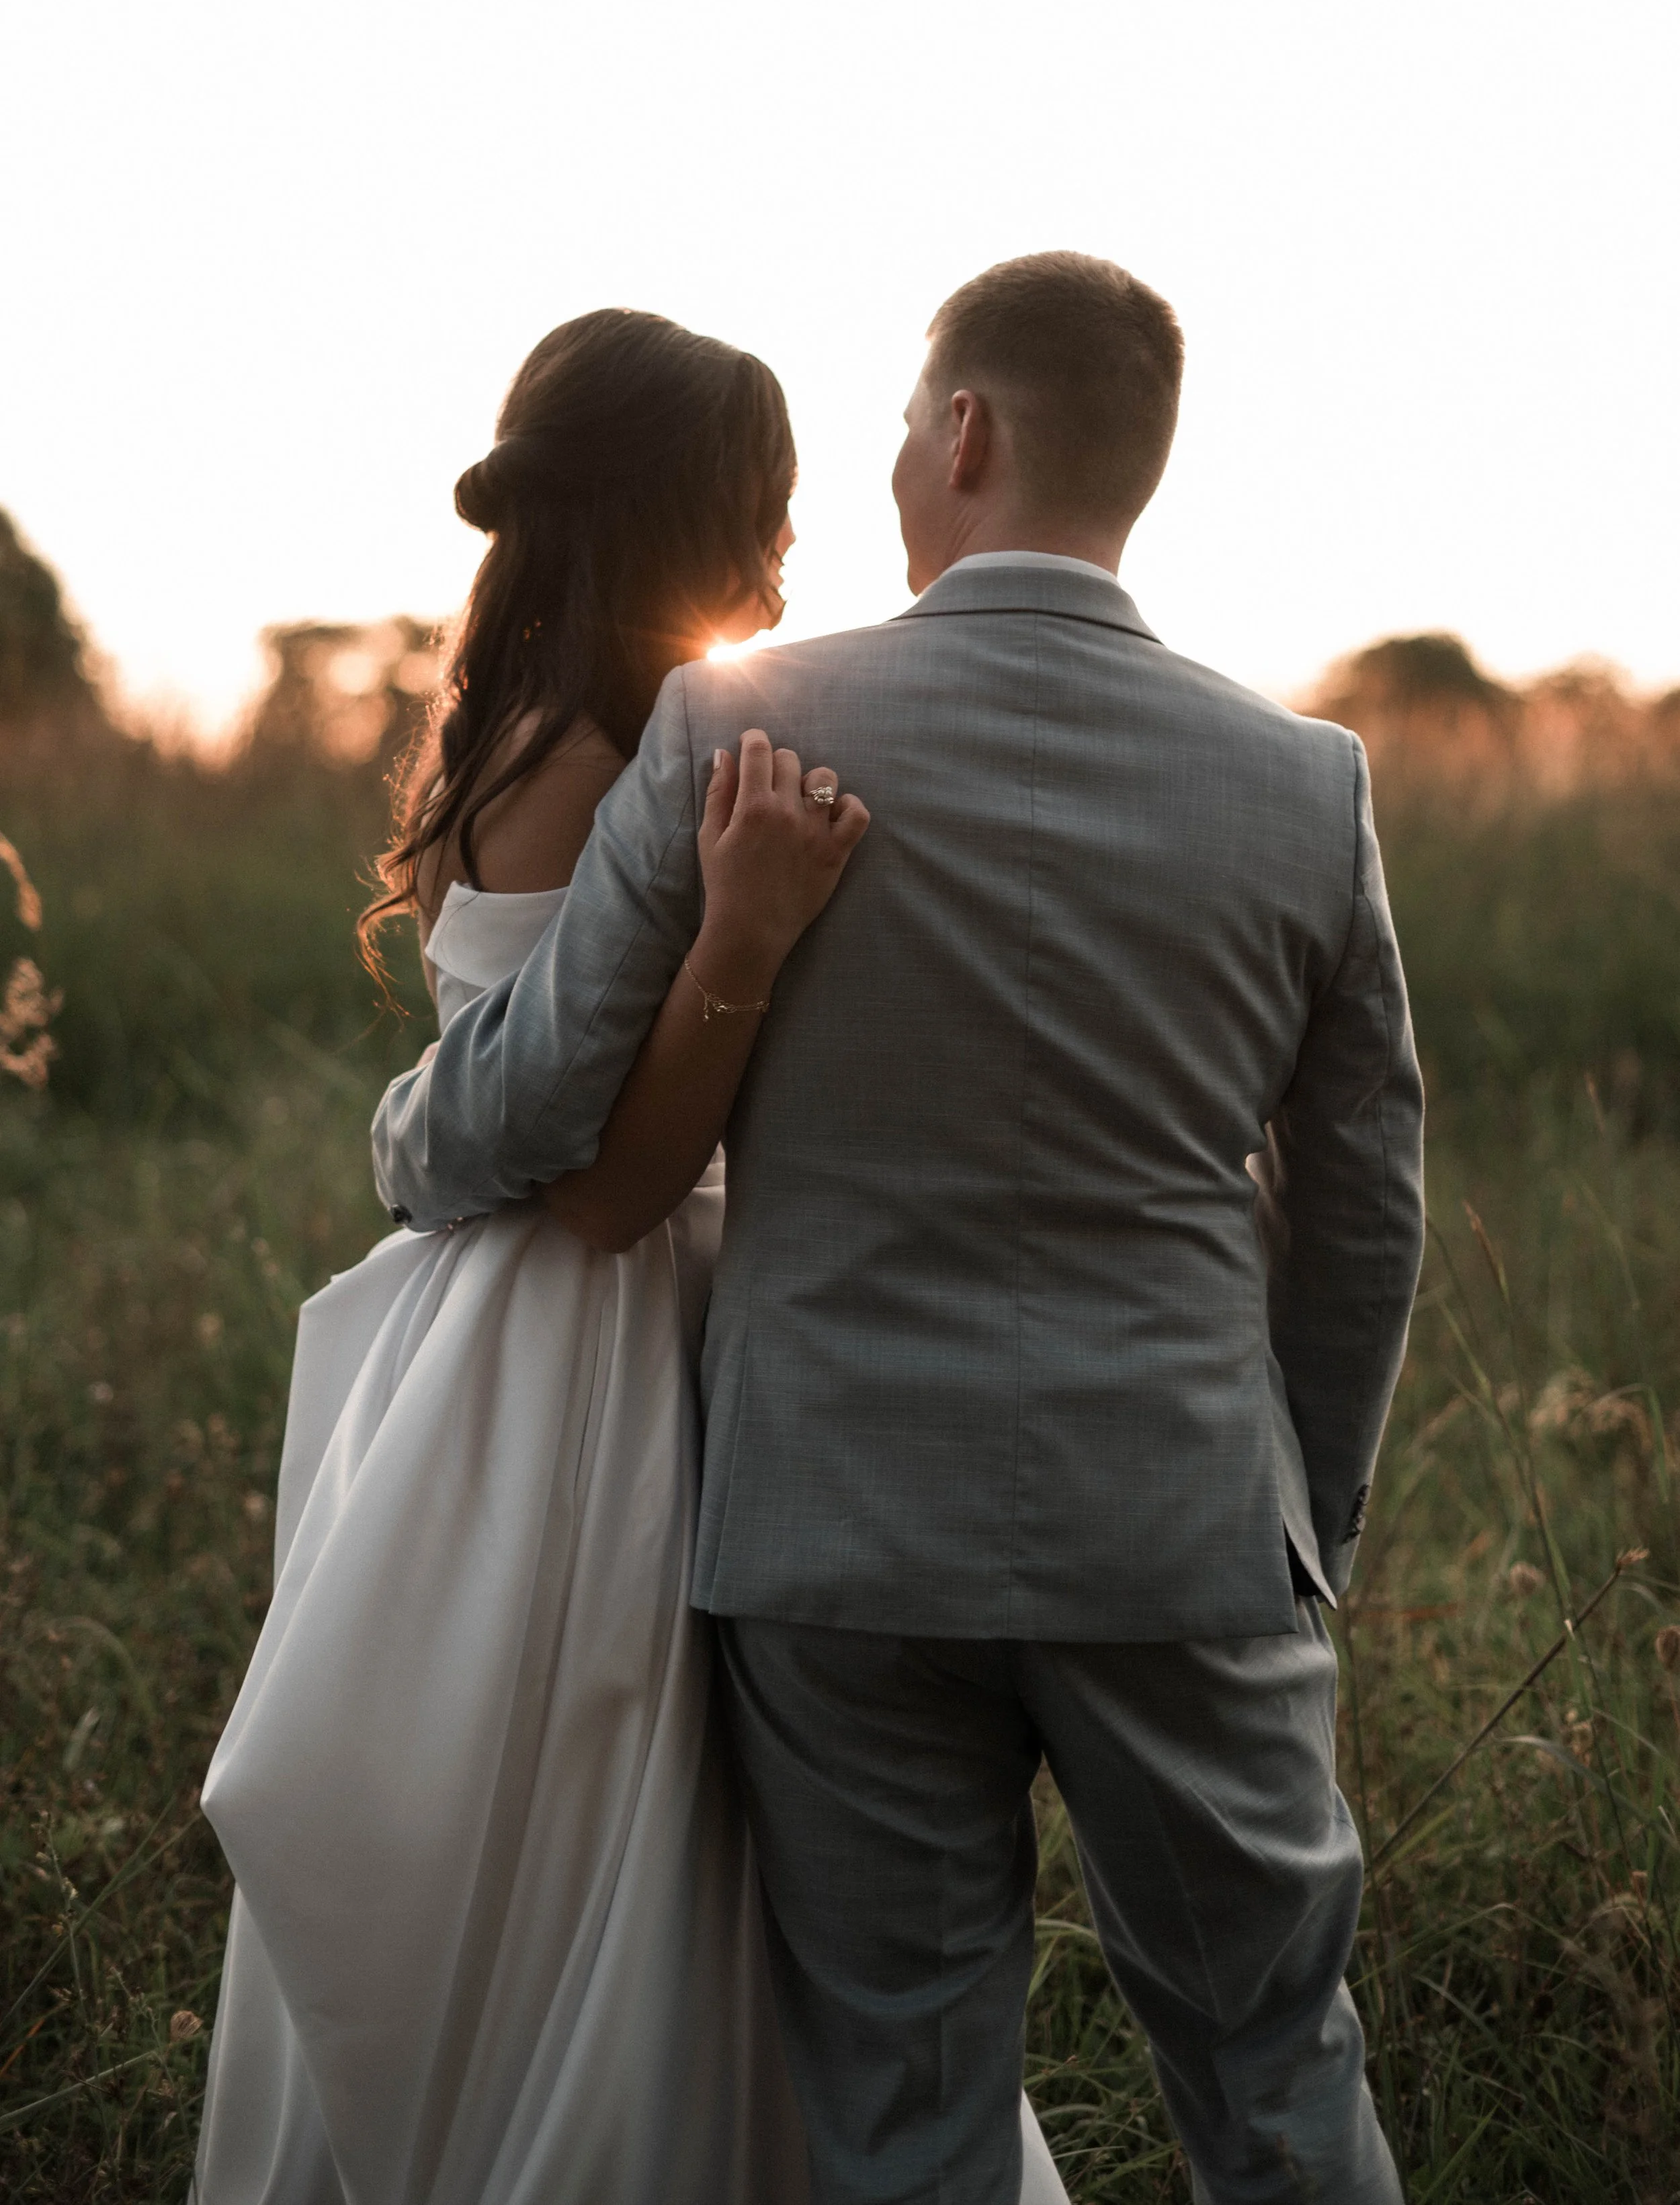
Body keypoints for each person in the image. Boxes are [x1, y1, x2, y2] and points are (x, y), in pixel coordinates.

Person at [374, 252, 1428, 2205]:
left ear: (963, 431)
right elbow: (1364, 1196)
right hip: (1181, 1531)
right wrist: (1302, 1517)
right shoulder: (1304, 783)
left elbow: (522, 1107)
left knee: (899, 2110)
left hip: (831, 1542)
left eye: (896, 423)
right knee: (1274, 2069)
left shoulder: (738, 725)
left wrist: (397, 1131)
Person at [191, 306, 1080, 2205]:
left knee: (632, 1841)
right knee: (632, 1833)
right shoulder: (588, 757)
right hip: (584, 1348)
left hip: (573, 1317)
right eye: (755, 504)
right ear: (676, 511)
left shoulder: (551, 715)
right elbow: (599, 1185)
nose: (782, 545)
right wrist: (748, 932)